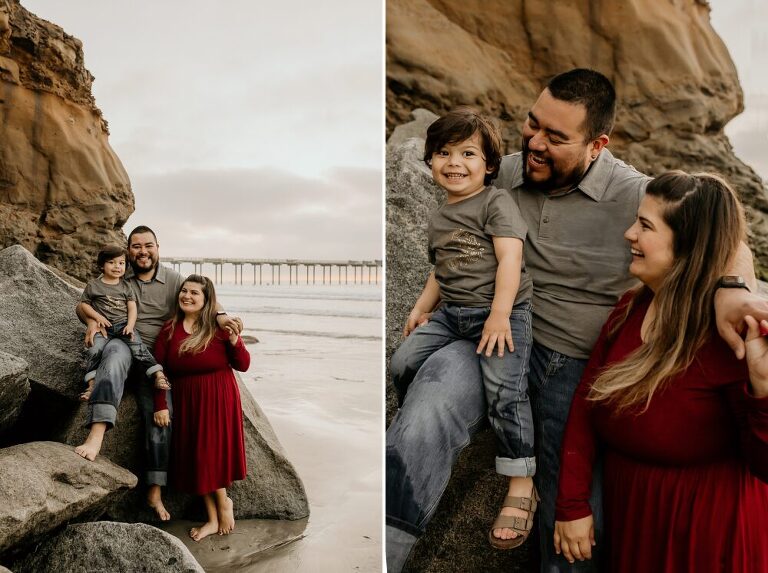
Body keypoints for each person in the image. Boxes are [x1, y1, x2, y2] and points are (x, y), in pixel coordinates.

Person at [385, 68, 768, 573]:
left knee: (574, 522)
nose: (536, 143)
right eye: (533, 124)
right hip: (491, 338)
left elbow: (728, 241)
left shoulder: (635, 193)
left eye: (556, 137)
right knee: (424, 408)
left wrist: (732, 290)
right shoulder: (506, 172)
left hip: (577, 363)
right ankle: (385, 553)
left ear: (597, 144)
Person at [554, 171, 768, 572]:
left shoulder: (731, 338)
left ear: (687, 247)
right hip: (634, 518)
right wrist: (572, 503)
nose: (629, 234)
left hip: (705, 534)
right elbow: (587, 404)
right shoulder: (630, 309)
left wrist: (764, 386)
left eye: (646, 226)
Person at [390, 107, 537, 548]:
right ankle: (406, 415)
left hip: (501, 315)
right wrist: (421, 308)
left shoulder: (496, 202)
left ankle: (520, 478)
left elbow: (511, 259)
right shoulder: (440, 216)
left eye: (468, 153)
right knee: (403, 359)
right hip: (453, 314)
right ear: (430, 161)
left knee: (505, 395)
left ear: (489, 165)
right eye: (443, 153)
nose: (454, 162)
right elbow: (440, 268)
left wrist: (498, 313)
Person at [74, 226, 243, 523]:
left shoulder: (173, 279)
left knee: (161, 417)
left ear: (157, 247)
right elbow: (85, 303)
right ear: (128, 251)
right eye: (136, 246)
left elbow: (203, 294)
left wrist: (221, 315)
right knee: (113, 357)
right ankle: (96, 434)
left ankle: (155, 489)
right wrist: (90, 321)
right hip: (123, 342)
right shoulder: (120, 275)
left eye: (148, 245)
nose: (142, 252)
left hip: (156, 359)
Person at [153, 275, 250, 541]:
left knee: (209, 455)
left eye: (195, 293)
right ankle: (214, 515)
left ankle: (222, 507)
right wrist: (161, 404)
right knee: (197, 459)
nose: (187, 296)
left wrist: (234, 340)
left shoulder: (218, 328)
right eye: (184, 291)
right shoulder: (169, 329)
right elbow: (158, 370)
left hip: (218, 396)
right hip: (185, 399)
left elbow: (243, 364)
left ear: (207, 300)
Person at [78, 244, 170, 402]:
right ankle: (92, 384)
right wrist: (96, 318)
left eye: (121, 263)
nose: (117, 266)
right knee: (94, 349)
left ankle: (158, 374)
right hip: (103, 328)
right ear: (101, 265)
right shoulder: (94, 285)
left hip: (123, 326)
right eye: (111, 262)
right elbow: (84, 304)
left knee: (138, 348)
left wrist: (130, 325)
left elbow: (132, 308)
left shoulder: (126, 286)